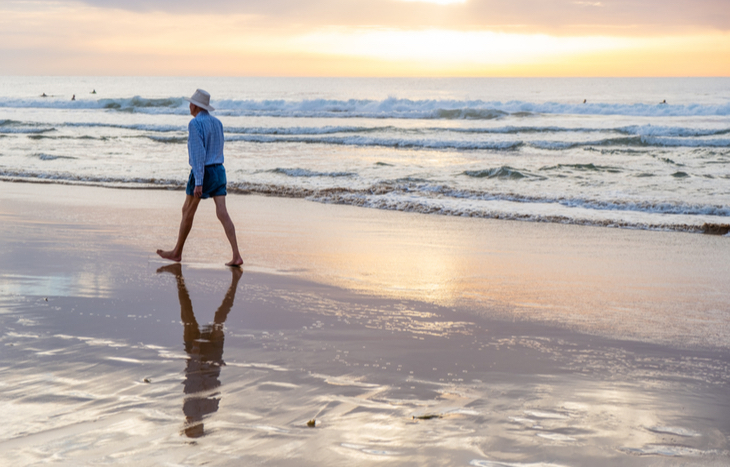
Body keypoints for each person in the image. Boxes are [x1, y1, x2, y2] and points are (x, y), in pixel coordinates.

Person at [157, 89, 243, 267]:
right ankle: (236, 255)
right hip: (219, 170)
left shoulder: (195, 124)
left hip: (203, 171)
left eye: (191, 103)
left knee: (188, 211)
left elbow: (198, 153)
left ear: (195, 106)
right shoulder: (217, 123)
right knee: (222, 213)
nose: (189, 106)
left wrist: (199, 181)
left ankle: (176, 252)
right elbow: (217, 148)